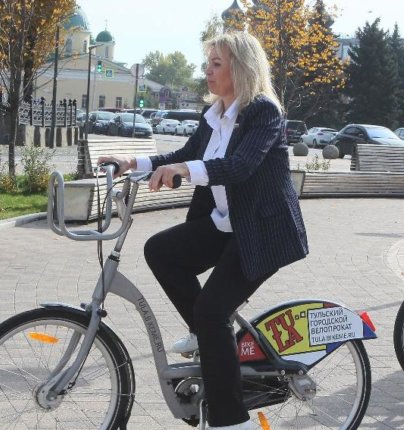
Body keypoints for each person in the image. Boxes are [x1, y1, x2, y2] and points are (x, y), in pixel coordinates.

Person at [98, 31, 308, 430]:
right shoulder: (214, 116)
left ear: (240, 68)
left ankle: (233, 422)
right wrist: (133, 162)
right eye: (207, 63)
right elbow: (184, 154)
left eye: (216, 64)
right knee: (161, 251)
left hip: (261, 232)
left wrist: (184, 170)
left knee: (213, 311)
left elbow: (241, 166)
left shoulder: (263, 112)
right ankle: (205, 335)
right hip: (225, 224)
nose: (207, 71)